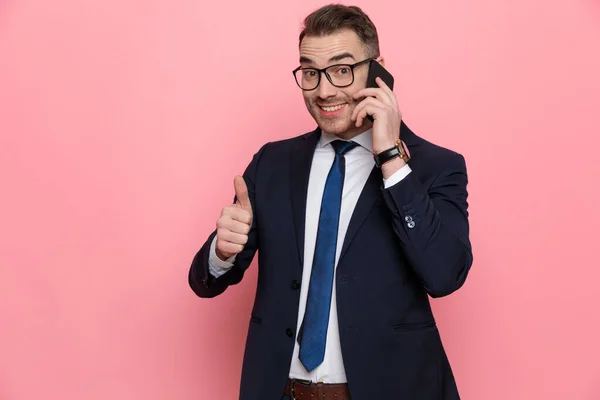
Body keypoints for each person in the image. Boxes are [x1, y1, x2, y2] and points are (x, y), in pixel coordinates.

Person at [189, 4, 473, 399]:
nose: (324, 91)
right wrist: (221, 251)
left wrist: (390, 156)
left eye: (342, 70)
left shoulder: (434, 166)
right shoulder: (273, 162)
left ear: (378, 70)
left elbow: (445, 275)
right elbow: (204, 282)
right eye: (310, 73)